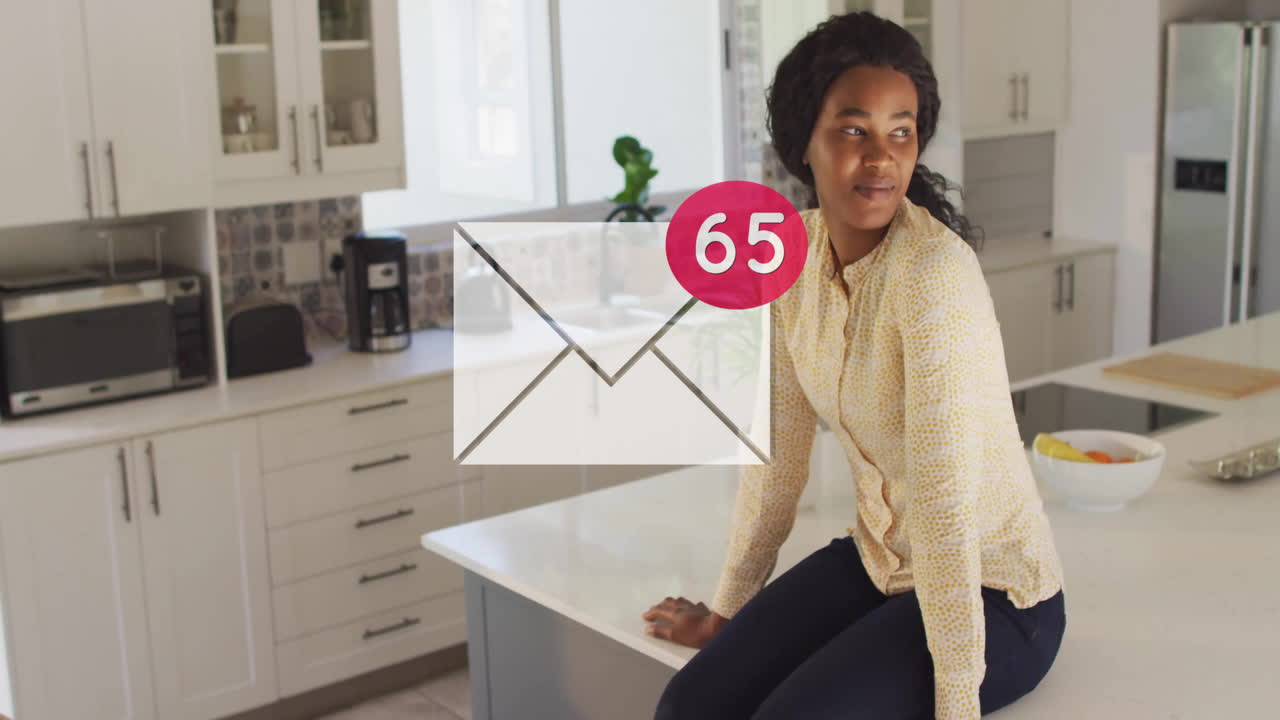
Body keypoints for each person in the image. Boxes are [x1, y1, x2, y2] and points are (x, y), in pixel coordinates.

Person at [641, 12, 1067, 720]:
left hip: (992, 595)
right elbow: (776, 461)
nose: (881, 156)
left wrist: (956, 699)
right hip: (879, 561)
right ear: (801, 143)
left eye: (901, 131)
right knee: (690, 704)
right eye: (853, 129)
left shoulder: (931, 275)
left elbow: (943, 504)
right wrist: (727, 615)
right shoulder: (790, 258)